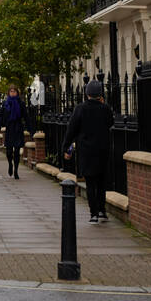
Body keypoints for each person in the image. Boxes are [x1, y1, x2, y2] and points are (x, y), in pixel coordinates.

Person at [60, 80, 116, 223]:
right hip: (102, 149)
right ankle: (102, 210)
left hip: (86, 150)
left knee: (90, 182)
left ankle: (94, 213)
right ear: (100, 94)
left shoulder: (80, 109)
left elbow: (71, 129)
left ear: (87, 94)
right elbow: (111, 123)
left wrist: (66, 147)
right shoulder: (105, 108)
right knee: (101, 182)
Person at [0, 85, 31, 179]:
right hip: (9, 128)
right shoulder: (5, 103)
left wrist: (30, 128)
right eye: (11, 91)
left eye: (14, 91)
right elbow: (1, 116)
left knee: (17, 151)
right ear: (8, 93)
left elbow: (26, 116)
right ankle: (10, 164)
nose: (13, 93)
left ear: (17, 93)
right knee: (9, 151)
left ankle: (16, 171)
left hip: (18, 128)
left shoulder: (21, 103)